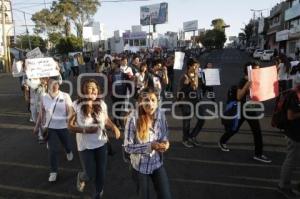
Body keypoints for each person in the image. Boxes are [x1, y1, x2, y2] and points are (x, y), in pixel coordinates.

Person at [68, 79, 120, 199]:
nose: (93, 90)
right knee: (90, 173)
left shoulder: (101, 104)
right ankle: (81, 177)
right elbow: (70, 127)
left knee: (101, 172)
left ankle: (98, 193)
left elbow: (106, 120)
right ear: (84, 90)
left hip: (101, 143)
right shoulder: (76, 105)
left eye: (95, 88)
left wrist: (114, 127)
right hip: (85, 146)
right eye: (90, 87)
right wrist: (85, 130)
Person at [124, 87, 172, 199]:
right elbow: (127, 147)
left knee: (166, 196)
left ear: (157, 102)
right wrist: (150, 146)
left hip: (157, 164)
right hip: (140, 167)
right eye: (146, 100)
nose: (149, 103)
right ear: (141, 101)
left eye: (153, 100)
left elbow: (165, 133)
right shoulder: (133, 118)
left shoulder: (161, 114)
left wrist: (166, 142)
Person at [218, 62, 271, 163]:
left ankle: (258, 154)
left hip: (251, 107)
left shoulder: (255, 80)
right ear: (250, 71)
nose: (258, 71)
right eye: (256, 70)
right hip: (242, 109)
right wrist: (247, 85)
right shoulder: (243, 81)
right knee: (235, 129)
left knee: (257, 132)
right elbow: (239, 96)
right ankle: (222, 141)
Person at [33, 76, 74, 182]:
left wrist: (69, 119)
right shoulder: (44, 97)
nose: (54, 85)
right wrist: (37, 126)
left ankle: (69, 151)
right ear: (48, 85)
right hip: (50, 128)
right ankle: (53, 172)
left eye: (56, 83)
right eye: (51, 83)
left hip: (63, 127)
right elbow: (41, 113)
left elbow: (70, 110)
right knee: (53, 150)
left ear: (59, 84)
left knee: (67, 145)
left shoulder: (65, 96)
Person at [278, 74, 300, 198]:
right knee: (291, 160)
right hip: (294, 134)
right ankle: (283, 185)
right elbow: (290, 116)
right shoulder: (294, 96)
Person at [178, 58, 204, 148]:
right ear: (190, 66)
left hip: (196, 100)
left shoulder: (197, 75)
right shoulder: (184, 77)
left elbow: (198, 87)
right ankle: (185, 139)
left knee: (202, 118)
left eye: (198, 66)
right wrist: (190, 82)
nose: (197, 67)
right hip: (186, 101)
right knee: (186, 122)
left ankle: (192, 136)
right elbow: (182, 91)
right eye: (195, 66)